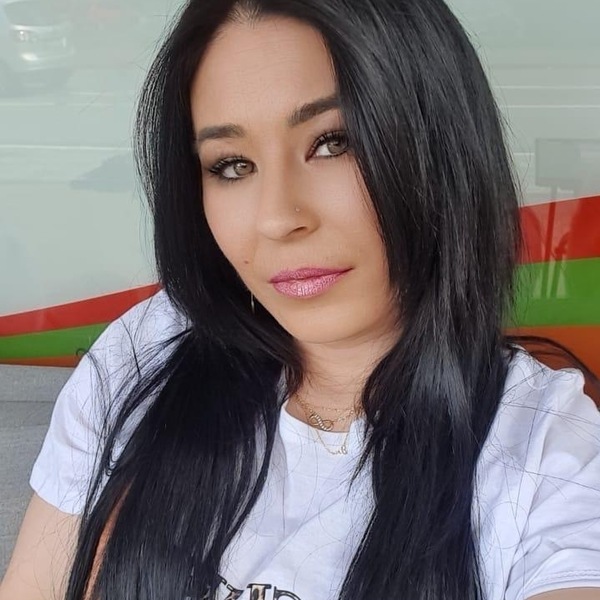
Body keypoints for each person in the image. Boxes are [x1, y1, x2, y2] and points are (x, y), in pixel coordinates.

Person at [1, 1, 600, 599]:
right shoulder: (147, 354)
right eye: (232, 165)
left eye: (333, 142)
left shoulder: (545, 449)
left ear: (440, 146)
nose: (277, 218)